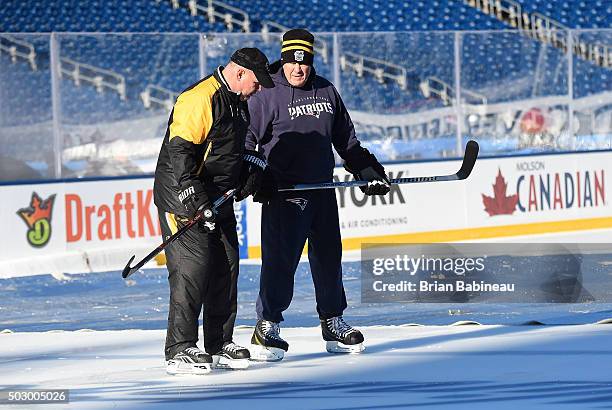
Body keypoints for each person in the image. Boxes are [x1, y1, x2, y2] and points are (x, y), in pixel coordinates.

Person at [245, 29, 390, 361]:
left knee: (328, 258)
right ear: (282, 60)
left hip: (322, 188)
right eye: (292, 63)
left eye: (305, 63)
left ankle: (333, 321)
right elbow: (247, 142)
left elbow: (347, 142)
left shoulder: (326, 90)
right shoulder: (266, 93)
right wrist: (257, 173)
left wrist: (366, 169)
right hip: (283, 193)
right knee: (280, 262)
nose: (299, 70)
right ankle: (267, 324)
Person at [153, 48, 273, 374]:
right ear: (238, 74)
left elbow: (233, 149)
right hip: (182, 196)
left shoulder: (239, 101)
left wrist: (251, 170)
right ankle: (179, 349)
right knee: (193, 269)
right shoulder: (199, 98)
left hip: (218, 197)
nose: (259, 88)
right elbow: (180, 152)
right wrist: (193, 197)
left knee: (226, 265)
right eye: (256, 82)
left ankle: (219, 343)